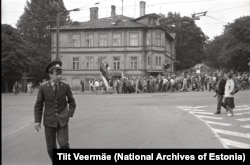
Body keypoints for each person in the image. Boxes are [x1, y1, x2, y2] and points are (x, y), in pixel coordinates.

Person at [34, 60, 76, 161]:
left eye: (60, 73)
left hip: (62, 120)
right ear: (50, 74)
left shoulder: (65, 87)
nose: (59, 76)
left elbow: (72, 102)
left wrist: (69, 113)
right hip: (49, 121)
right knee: (51, 148)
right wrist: (37, 121)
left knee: (64, 144)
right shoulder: (43, 88)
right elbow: (38, 105)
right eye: (57, 74)